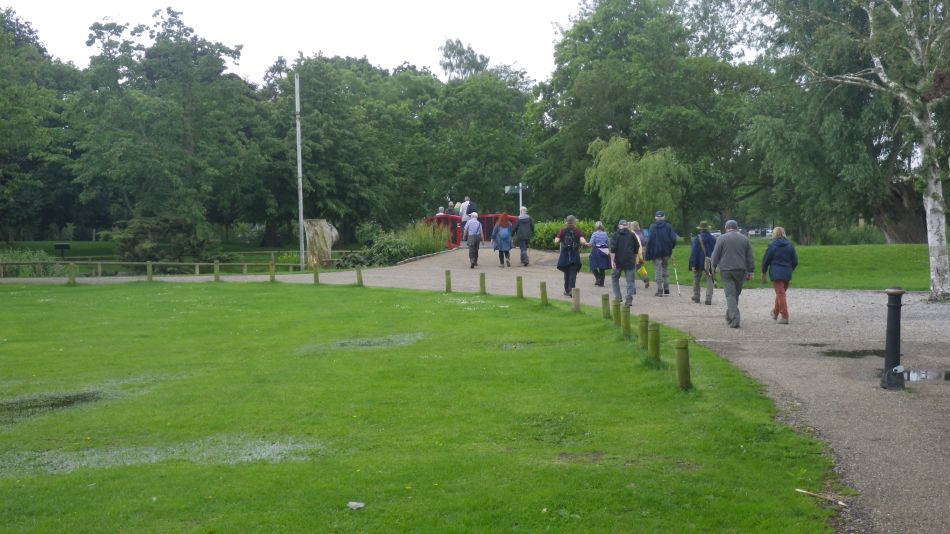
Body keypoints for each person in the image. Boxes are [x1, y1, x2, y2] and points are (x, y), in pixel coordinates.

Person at [710, 220, 755, 328]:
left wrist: (713, 267)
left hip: (726, 270)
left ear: (726, 228)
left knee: (730, 294)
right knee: (735, 294)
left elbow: (715, 255)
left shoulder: (721, 238)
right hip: (740, 270)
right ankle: (730, 316)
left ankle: (735, 319)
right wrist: (751, 271)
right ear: (737, 227)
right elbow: (750, 257)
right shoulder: (744, 239)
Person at [761, 226, 798, 324]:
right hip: (787, 273)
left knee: (780, 294)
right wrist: (790, 269)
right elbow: (795, 261)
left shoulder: (772, 246)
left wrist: (763, 272)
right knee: (781, 294)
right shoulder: (790, 245)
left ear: (774, 234)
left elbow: (766, 260)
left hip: (776, 273)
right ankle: (775, 312)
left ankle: (784, 316)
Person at [644, 211, 677, 296]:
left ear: (656, 217)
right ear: (664, 217)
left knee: (658, 270)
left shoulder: (652, 227)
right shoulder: (668, 226)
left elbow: (649, 240)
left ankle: (660, 289)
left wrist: (647, 254)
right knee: (665, 268)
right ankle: (666, 287)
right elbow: (673, 239)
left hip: (656, 252)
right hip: (666, 252)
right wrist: (671, 247)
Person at [554, 215, 589, 296]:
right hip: (574, 255)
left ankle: (567, 290)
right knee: (573, 273)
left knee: (566, 273)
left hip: (565, 256)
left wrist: (557, 239)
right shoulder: (577, 231)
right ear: (574, 222)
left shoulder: (562, 231)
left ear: (567, 222)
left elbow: (556, 241)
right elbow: (582, 240)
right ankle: (571, 290)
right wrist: (586, 243)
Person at [609, 219, 640, 307]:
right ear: (627, 226)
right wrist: (634, 257)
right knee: (630, 281)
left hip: (618, 261)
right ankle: (629, 298)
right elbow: (637, 247)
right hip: (629, 261)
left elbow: (613, 249)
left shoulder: (615, 235)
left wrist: (612, 260)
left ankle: (618, 296)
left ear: (619, 226)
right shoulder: (632, 235)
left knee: (614, 278)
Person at [689, 221, 717, 305]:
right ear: (708, 229)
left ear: (700, 229)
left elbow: (694, 252)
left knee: (696, 278)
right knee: (710, 279)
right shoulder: (713, 238)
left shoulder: (697, 238)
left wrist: (693, 264)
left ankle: (696, 296)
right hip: (709, 262)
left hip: (698, 262)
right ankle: (708, 299)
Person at [588, 221, 611, 287]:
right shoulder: (605, 234)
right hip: (604, 251)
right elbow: (608, 243)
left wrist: (585, 243)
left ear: (596, 227)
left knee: (592, 265)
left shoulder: (594, 234)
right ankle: (601, 283)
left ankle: (598, 277)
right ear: (602, 226)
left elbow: (591, 243)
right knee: (602, 267)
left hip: (596, 251)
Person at [630, 221, 650, 289]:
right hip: (643, 251)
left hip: (637, 252)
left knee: (635, 267)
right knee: (640, 267)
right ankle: (645, 278)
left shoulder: (633, 234)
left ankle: (644, 279)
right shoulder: (641, 233)